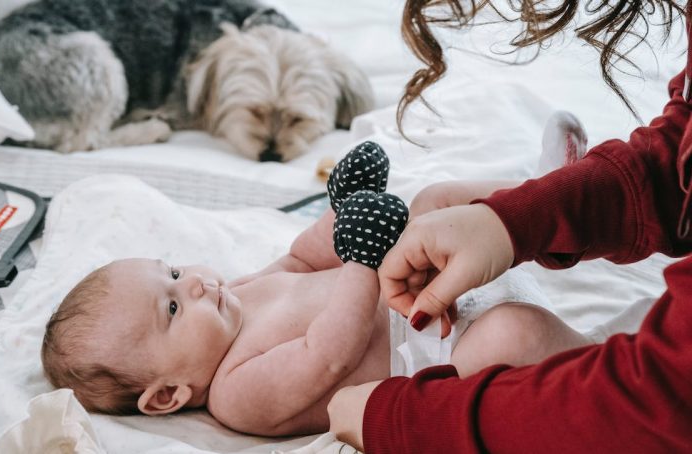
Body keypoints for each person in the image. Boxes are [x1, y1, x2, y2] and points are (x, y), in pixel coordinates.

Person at [327, 0, 692, 452]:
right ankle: (538, 182)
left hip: (444, 346)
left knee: (511, 333)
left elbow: (663, 400)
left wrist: (402, 422)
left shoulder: (237, 384)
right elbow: (677, 159)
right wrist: (511, 220)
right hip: (435, 320)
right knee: (439, 208)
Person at [40, 141, 586, 438]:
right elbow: (327, 354)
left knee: (435, 202)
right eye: (174, 307)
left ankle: (556, 197)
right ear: (167, 395)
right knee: (513, 333)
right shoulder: (237, 394)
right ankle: (610, 370)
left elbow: (302, 258)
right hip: (439, 347)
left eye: (175, 272)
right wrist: (362, 257)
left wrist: (345, 208)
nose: (198, 284)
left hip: (422, 282)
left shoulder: (240, 295)